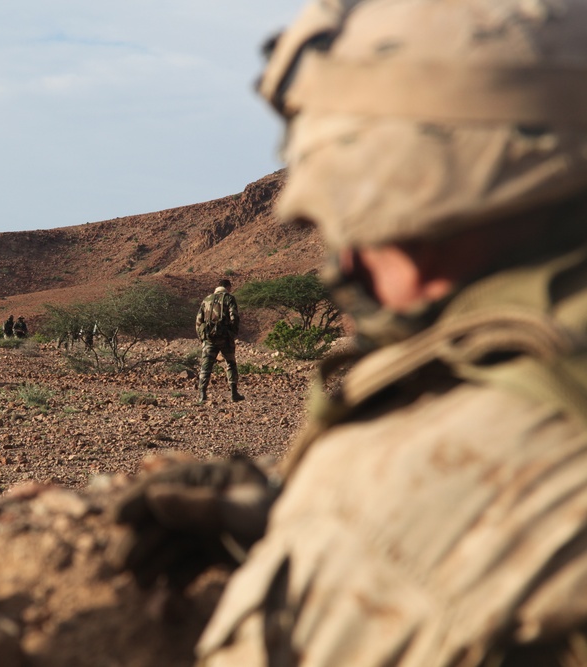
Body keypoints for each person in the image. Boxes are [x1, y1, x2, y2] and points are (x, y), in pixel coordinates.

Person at [113, 1, 587, 665]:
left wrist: (333, 530)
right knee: (224, 371)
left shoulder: (389, 500)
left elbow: (442, 537)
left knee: (217, 370)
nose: (346, 263)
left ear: (408, 197)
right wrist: (285, 516)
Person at [195, 279, 243, 403]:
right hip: (225, 338)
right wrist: (232, 334)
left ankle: (202, 394)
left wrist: (203, 338)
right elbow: (234, 317)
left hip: (209, 338)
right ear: (228, 287)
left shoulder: (207, 299)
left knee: (206, 366)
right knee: (230, 364)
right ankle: (233, 393)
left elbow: (198, 321)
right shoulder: (229, 298)